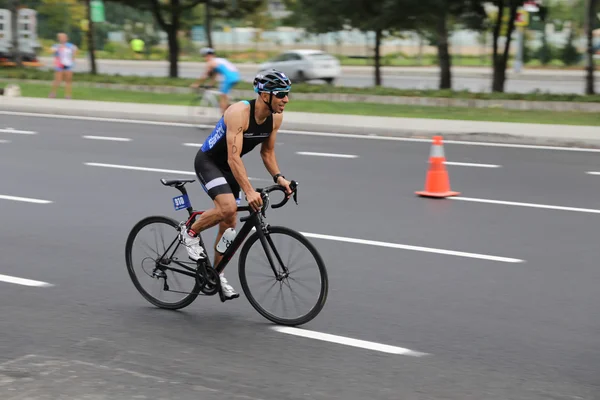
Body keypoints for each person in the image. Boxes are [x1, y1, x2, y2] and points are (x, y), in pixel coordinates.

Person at [181, 69, 293, 300]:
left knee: (229, 223)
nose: (286, 100)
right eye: (281, 94)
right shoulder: (238, 112)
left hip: (230, 167)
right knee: (228, 208)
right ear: (265, 95)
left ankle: (216, 274)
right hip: (210, 162)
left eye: (287, 94)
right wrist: (249, 190)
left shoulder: (275, 118)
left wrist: (279, 177)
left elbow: (268, 152)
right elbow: (233, 157)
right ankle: (189, 231)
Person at [190, 47, 240, 115]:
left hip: (229, 78)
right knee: (224, 95)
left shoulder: (211, 63)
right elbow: (215, 76)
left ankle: (224, 116)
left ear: (207, 56)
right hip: (235, 76)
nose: (205, 58)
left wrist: (196, 84)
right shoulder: (219, 60)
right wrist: (211, 84)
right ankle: (229, 107)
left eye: (204, 56)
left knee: (222, 96)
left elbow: (205, 76)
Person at [49, 33, 78, 99]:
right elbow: (51, 51)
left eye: (64, 37)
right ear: (59, 39)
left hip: (68, 65)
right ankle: (53, 93)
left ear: (67, 38)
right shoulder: (56, 46)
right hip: (59, 65)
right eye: (61, 37)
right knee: (57, 80)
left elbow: (75, 51)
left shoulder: (71, 46)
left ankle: (68, 95)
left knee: (68, 80)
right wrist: (58, 49)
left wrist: (73, 59)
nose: (62, 39)